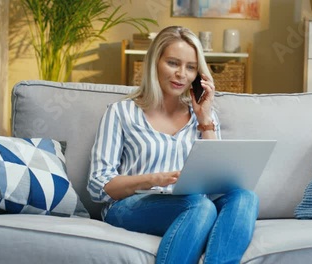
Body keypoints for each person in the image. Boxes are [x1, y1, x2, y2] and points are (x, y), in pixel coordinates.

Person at [87, 25, 259, 264]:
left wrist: (204, 120)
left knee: (245, 197)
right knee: (200, 207)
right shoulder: (121, 113)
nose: (182, 74)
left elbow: (217, 182)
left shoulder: (203, 116)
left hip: (193, 203)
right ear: (155, 62)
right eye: (173, 63)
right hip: (133, 206)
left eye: (190, 67)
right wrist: (153, 179)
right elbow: (98, 185)